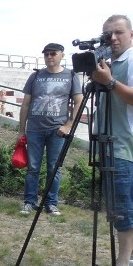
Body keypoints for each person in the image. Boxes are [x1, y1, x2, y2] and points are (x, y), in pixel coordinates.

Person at [88, 15, 133, 266]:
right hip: (114, 143)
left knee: (123, 208)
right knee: (123, 203)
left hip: (126, 145)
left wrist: (110, 82)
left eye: (118, 33)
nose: (113, 38)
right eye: (107, 34)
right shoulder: (116, 62)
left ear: (131, 34)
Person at [17, 43, 83, 216]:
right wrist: (21, 130)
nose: (49, 57)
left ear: (62, 55)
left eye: (53, 54)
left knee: (54, 168)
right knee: (33, 167)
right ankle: (29, 202)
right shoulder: (36, 76)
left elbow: (79, 101)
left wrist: (69, 125)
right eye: (46, 54)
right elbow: (25, 104)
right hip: (34, 129)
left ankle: (51, 203)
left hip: (57, 130)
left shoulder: (70, 75)